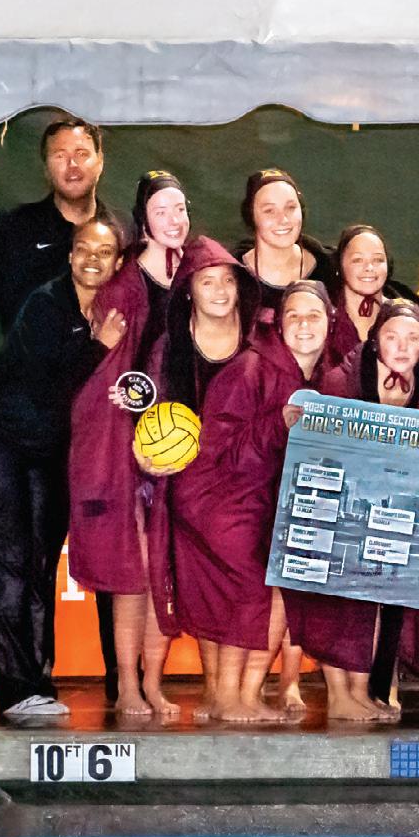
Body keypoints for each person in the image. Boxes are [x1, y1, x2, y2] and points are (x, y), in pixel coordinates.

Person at [0, 216, 126, 720]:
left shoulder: (113, 312)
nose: (91, 259)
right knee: (7, 559)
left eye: (103, 252)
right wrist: (99, 347)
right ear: (69, 255)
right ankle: (15, 689)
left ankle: (37, 683)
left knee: (40, 561)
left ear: (118, 262)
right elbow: (48, 384)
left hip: (50, 446)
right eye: (83, 248)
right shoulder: (47, 303)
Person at [171, 280, 345, 722]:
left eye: (313, 316)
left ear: (330, 321)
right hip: (216, 492)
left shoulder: (321, 376)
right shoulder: (251, 367)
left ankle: (233, 696)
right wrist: (276, 424)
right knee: (251, 582)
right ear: (279, 324)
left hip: (256, 497)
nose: (304, 325)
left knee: (263, 586)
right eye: (294, 316)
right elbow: (221, 448)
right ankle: (230, 697)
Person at [65, 172, 193, 715]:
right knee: (131, 573)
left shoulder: (196, 274)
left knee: (164, 572)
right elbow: (102, 377)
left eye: (181, 208)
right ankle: (127, 686)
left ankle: (155, 683)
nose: (174, 219)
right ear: (144, 221)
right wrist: (125, 422)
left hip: (181, 443)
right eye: (162, 210)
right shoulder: (123, 287)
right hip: (129, 450)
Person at [128, 237, 262, 719]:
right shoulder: (169, 348)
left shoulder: (257, 343)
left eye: (228, 280)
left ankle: (233, 693)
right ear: (189, 290)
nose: (220, 290)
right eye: (208, 282)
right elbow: (145, 417)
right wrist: (147, 455)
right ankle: (216, 691)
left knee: (246, 576)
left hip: (247, 483)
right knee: (201, 585)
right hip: (186, 486)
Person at [283, 301, 419, 722]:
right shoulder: (340, 380)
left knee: (372, 605)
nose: (402, 347)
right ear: (375, 341)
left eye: (413, 338)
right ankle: (338, 695)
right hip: (340, 507)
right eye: (392, 337)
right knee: (337, 602)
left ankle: (361, 692)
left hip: (388, 515)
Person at [0, 116, 107, 334]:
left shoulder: (123, 230)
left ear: (100, 161)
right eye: (60, 155)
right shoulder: (12, 225)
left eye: (82, 154)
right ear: (46, 168)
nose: (72, 165)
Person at [234, 168, 336, 323]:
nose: (283, 219)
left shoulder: (331, 268)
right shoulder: (233, 276)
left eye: (291, 207)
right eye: (269, 211)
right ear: (251, 216)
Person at [328, 223, 419, 361]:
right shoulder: (324, 319)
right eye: (357, 260)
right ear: (340, 265)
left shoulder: (415, 317)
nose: (369, 267)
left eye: (378, 260)